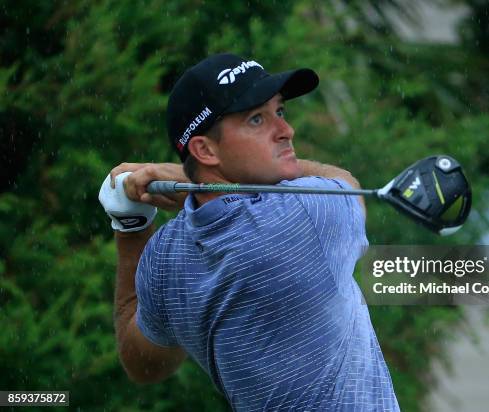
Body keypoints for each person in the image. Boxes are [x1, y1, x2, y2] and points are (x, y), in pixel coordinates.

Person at [99, 53, 400, 411]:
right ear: (205, 150)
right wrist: (188, 180)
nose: (286, 131)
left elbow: (143, 364)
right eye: (257, 119)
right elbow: (344, 184)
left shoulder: (165, 258)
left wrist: (131, 225)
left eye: (280, 111)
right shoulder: (306, 215)